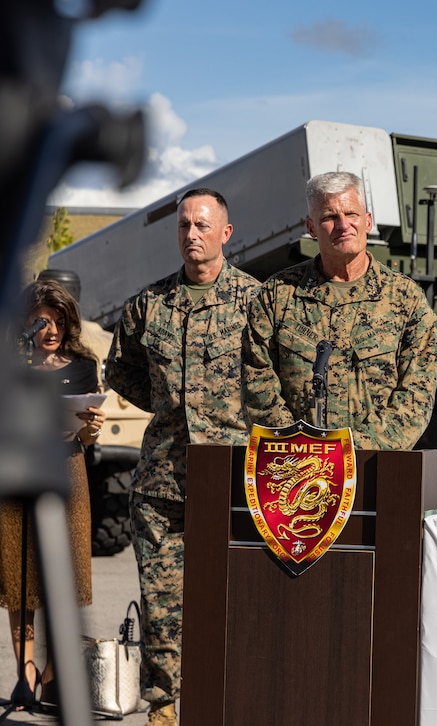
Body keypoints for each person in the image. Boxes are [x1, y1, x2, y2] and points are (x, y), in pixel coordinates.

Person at [105, 188, 258, 726]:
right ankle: (164, 707)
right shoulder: (150, 305)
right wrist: (172, 410)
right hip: (163, 482)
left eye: (202, 225)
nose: (191, 234)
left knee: (236, 596)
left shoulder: (257, 303)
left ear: (225, 233)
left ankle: (231, 698)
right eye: (184, 226)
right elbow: (121, 372)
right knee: (164, 604)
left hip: (238, 482)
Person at [242, 171, 437, 448]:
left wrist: (350, 451)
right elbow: (257, 384)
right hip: (296, 468)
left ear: (368, 221)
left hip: (376, 468)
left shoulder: (407, 300)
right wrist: (300, 447)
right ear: (311, 228)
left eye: (351, 214)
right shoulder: (277, 296)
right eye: (329, 217)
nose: (343, 225)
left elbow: (417, 395)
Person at [0, 279, 105, 707]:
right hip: (17, 471)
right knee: (18, 578)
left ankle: (52, 674)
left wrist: (90, 431)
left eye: (60, 320)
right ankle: (24, 674)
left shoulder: (83, 365)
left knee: (66, 576)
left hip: (67, 469)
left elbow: (87, 432)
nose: (52, 329)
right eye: (43, 319)